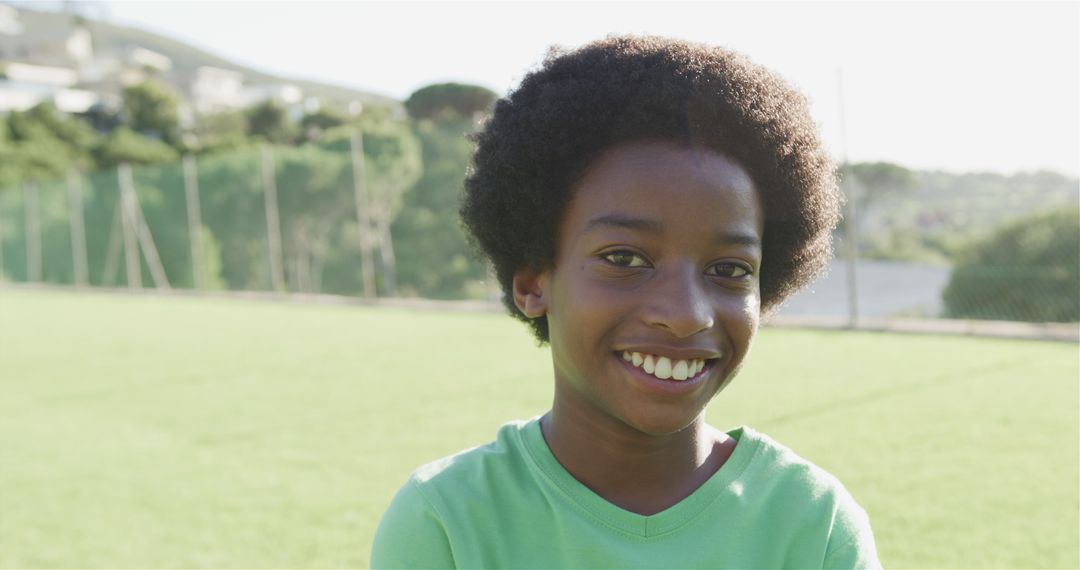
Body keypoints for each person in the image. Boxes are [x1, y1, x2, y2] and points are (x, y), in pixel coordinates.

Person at [371, 35, 881, 569]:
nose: (686, 315)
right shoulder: (448, 520)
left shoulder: (812, 523)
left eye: (729, 270)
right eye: (624, 258)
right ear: (533, 280)